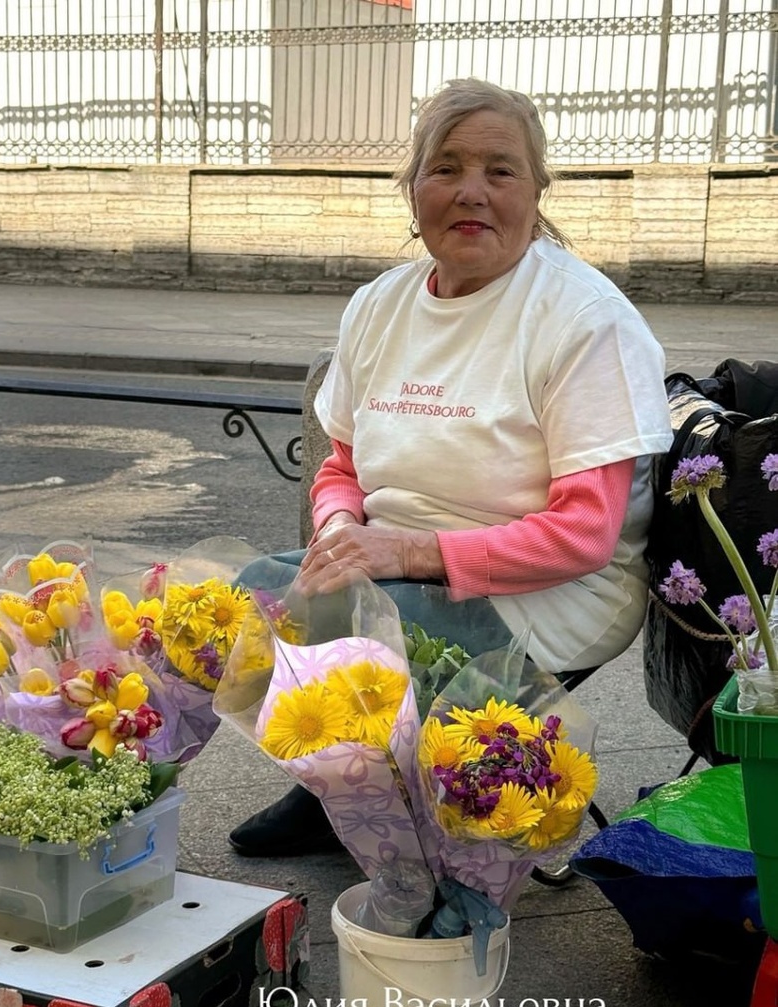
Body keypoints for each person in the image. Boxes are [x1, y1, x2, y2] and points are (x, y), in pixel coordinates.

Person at [228, 78, 673, 857]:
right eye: (445, 167)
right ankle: (337, 782)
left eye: (500, 170)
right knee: (243, 606)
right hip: (398, 563)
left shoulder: (584, 319)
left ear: (537, 189)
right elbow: (341, 466)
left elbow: (584, 534)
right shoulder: (379, 305)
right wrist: (339, 534)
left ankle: (384, 797)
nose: (472, 192)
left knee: (351, 633)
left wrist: (403, 555)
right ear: (413, 187)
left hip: (550, 592)